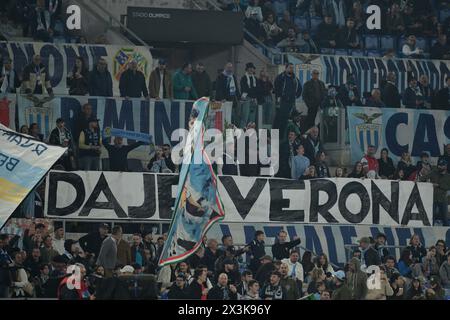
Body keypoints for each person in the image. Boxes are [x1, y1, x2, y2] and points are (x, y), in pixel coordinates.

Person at [273, 63, 302, 141]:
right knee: (278, 119)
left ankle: (281, 137)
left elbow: (299, 88)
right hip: (282, 101)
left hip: (291, 102)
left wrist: (296, 96)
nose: (291, 69)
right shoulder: (281, 77)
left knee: (285, 120)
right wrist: (279, 96)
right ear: (286, 68)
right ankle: (274, 136)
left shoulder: (295, 78)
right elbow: (276, 86)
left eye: (292, 68)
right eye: (290, 68)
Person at [420, 158, 450, 224]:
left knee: (445, 218)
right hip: (432, 199)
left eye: (442, 165)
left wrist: (439, 185)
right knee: (431, 218)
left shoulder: (448, 176)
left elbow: (448, 187)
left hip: (443, 199)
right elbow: (424, 178)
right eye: (439, 165)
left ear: (445, 166)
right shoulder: (434, 173)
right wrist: (418, 180)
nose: (440, 167)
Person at [240, 62, 259, 128]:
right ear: (247, 69)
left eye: (252, 68)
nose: (251, 69)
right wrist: (252, 93)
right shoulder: (244, 78)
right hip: (246, 99)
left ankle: (250, 135)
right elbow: (244, 89)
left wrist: (255, 97)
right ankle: (241, 134)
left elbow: (256, 89)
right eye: (250, 68)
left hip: (254, 100)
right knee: (244, 117)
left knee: (252, 119)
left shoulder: (255, 79)